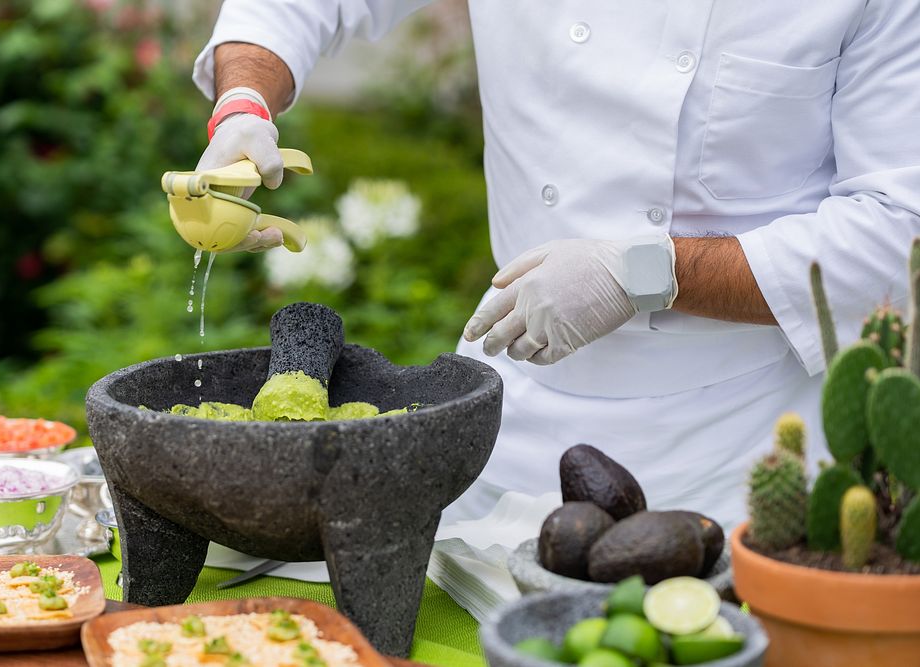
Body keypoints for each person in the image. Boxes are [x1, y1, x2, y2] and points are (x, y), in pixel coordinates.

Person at [193, 1, 920, 531]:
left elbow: (899, 230)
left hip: (745, 455)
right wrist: (243, 99)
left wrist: (641, 272)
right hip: (508, 428)